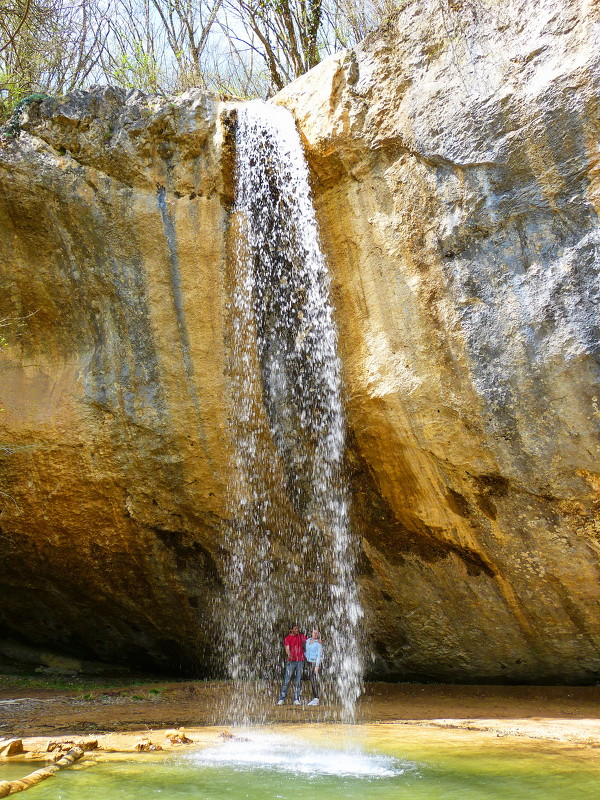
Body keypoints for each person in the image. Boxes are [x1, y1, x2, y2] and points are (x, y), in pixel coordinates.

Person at [277, 623, 307, 705]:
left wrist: (317, 640)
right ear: (291, 630)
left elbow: (308, 641)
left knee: (298, 681)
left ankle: (296, 699)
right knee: (287, 680)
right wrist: (289, 653)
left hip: (300, 661)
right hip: (291, 661)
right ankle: (282, 698)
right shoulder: (288, 638)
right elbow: (287, 648)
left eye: (297, 629)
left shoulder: (301, 636)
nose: (297, 630)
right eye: (295, 629)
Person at [304, 628, 322, 706]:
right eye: (314, 632)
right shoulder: (307, 641)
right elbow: (306, 651)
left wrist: (317, 666)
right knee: (312, 679)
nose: (315, 634)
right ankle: (315, 698)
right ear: (311, 632)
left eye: (317, 633)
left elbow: (319, 655)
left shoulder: (318, 644)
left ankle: (316, 698)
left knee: (313, 680)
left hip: (314, 662)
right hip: (308, 662)